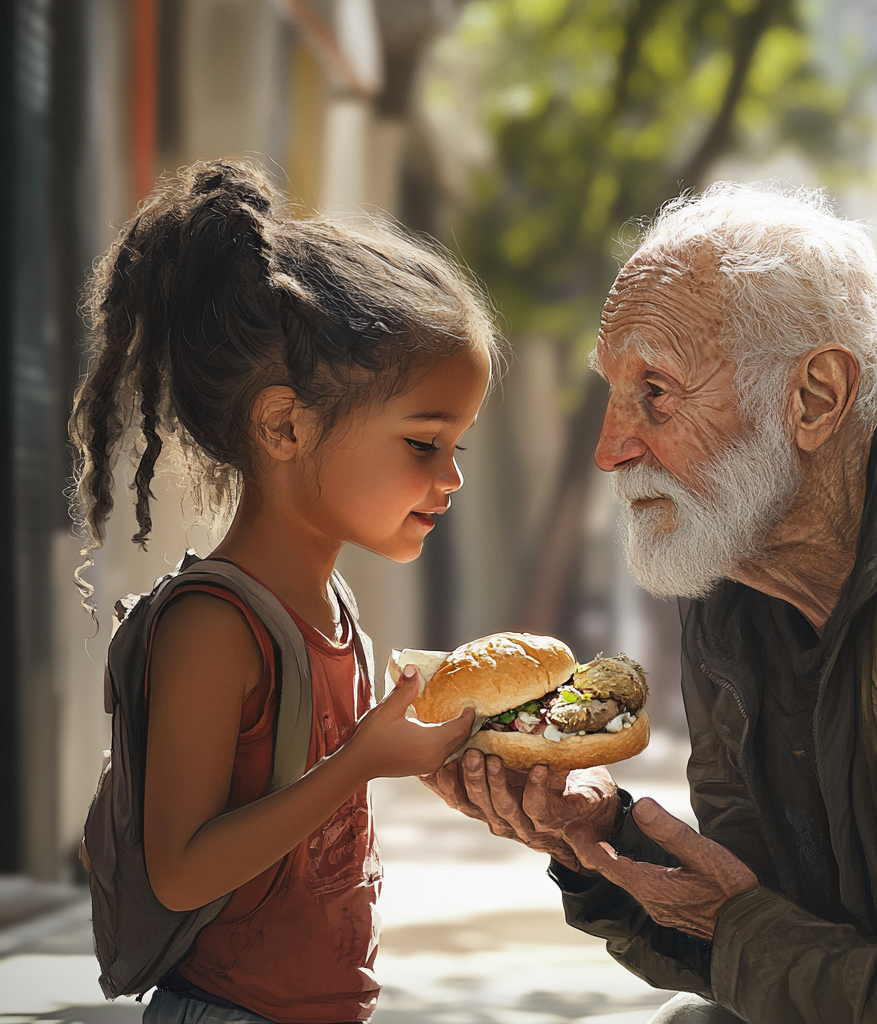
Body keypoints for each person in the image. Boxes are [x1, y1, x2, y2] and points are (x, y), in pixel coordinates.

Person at [424, 182, 877, 1023]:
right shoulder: (735, 566)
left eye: (657, 392)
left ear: (815, 397)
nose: (609, 448)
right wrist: (602, 835)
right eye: (611, 389)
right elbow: (769, 924)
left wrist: (735, 927)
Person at [69, 159, 498, 1023]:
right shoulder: (215, 627)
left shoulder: (335, 613)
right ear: (285, 425)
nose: (451, 478)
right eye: (423, 443)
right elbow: (181, 868)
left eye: (459, 445)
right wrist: (362, 763)